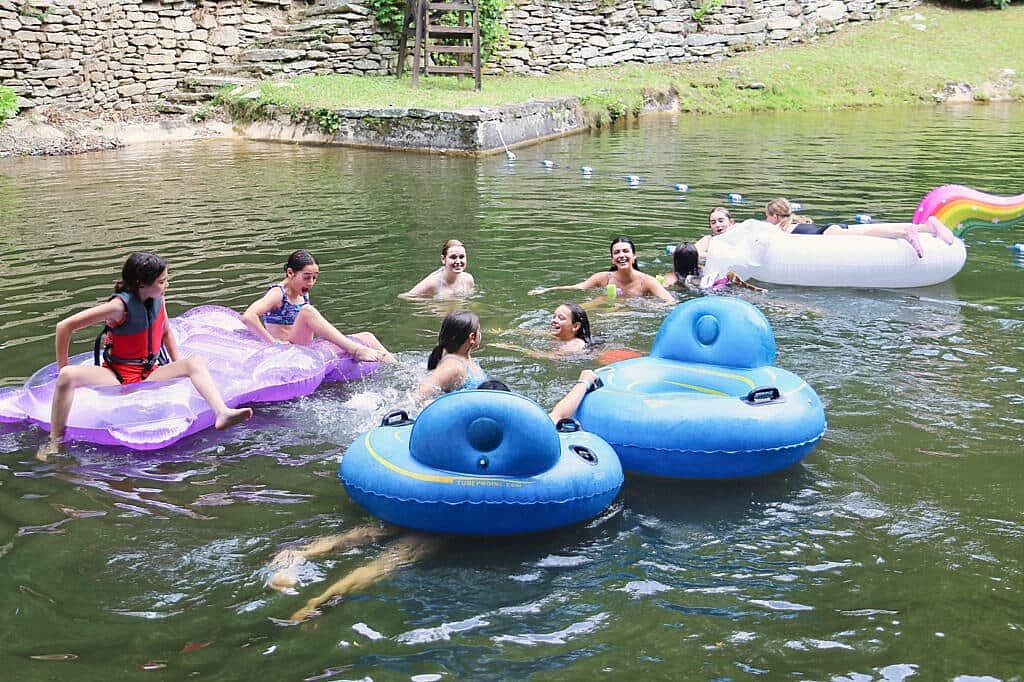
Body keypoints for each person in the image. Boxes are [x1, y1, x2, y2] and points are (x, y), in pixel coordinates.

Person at [268, 368, 601, 621]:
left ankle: (300, 555)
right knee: (399, 556)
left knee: (369, 533)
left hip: (427, 497)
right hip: (460, 515)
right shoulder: (531, 430)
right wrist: (584, 382)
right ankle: (324, 598)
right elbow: (562, 412)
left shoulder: (450, 429)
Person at [40, 252, 253, 456]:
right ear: (141, 284)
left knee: (194, 362)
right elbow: (64, 327)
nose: (166, 285)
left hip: (150, 371)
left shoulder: (158, 298)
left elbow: (166, 331)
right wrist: (62, 368)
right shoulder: (118, 307)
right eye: (161, 281)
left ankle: (222, 413)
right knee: (68, 376)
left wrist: (178, 365)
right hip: (117, 375)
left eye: (166, 280)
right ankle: (55, 442)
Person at [242, 249, 395, 363]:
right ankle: (355, 350)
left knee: (367, 336)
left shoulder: (301, 292)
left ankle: (400, 368)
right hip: (288, 349)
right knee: (307, 311)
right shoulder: (278, 293)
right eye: (307, 277)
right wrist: (273, 344)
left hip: (307, 345)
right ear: (290, 273)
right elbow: (248, 316)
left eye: (315, 278)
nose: (311, 283)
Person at [764, 198, 956, 258]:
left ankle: (904, 233)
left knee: (869, 232)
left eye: (767, 216)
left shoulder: (781, 229)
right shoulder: (797, 221)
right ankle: (926, 227)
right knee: (869, 231)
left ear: (775, 216)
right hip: (830, 229)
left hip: (828, 234)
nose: (767, 220)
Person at [529, 237, 675, 304]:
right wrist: (547, 290)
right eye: (617, 253)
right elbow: (578, 287)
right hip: (609, 311)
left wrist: (647, 306)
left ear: (634, 256)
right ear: (612, 259)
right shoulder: (603, 278)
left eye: (625, 251)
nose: (621, 255)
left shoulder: (647, 281)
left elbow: (671, 301)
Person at [415, 310, 487, 402]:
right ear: (472, 337)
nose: (480, 334)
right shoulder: (454, 367)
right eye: (479, 330)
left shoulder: (462, 356)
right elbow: (420, 394)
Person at [663, 242, 766, 293]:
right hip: (714, 289)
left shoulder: (670, 277)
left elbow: (665, 288)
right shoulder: (704, 269)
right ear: (696, 258)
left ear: (676, 260)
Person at [399, 239, 476, 299]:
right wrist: (431, 305)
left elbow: (469, 298)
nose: (458, 261)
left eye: (462, 257)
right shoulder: (432, 283)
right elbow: (405, 296)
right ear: (443, 259)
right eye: (453, 257)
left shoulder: (468, 279)